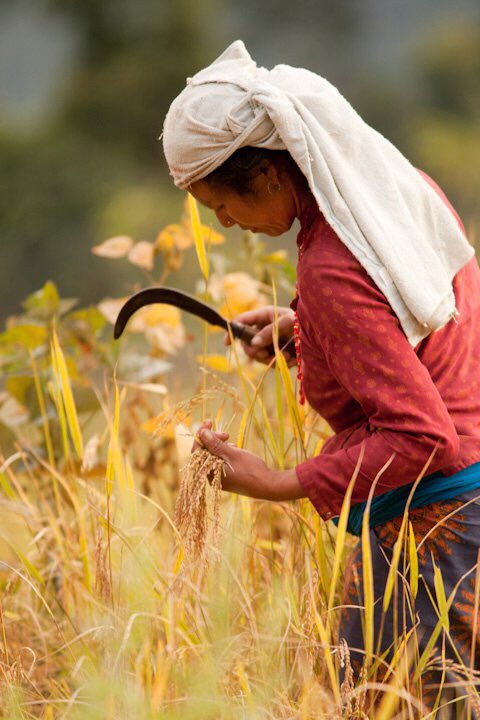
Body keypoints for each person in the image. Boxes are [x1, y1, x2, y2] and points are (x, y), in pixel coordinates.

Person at [162, 41, 480, 715]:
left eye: (220, 204)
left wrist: (276, 482)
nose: (227, 224)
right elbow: (417, 324)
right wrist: (305, 330)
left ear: (269, 174)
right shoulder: (399, 190)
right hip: (468, 518)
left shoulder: (332, 269)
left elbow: (425, 438)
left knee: (399, 706)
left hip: (433, 540)